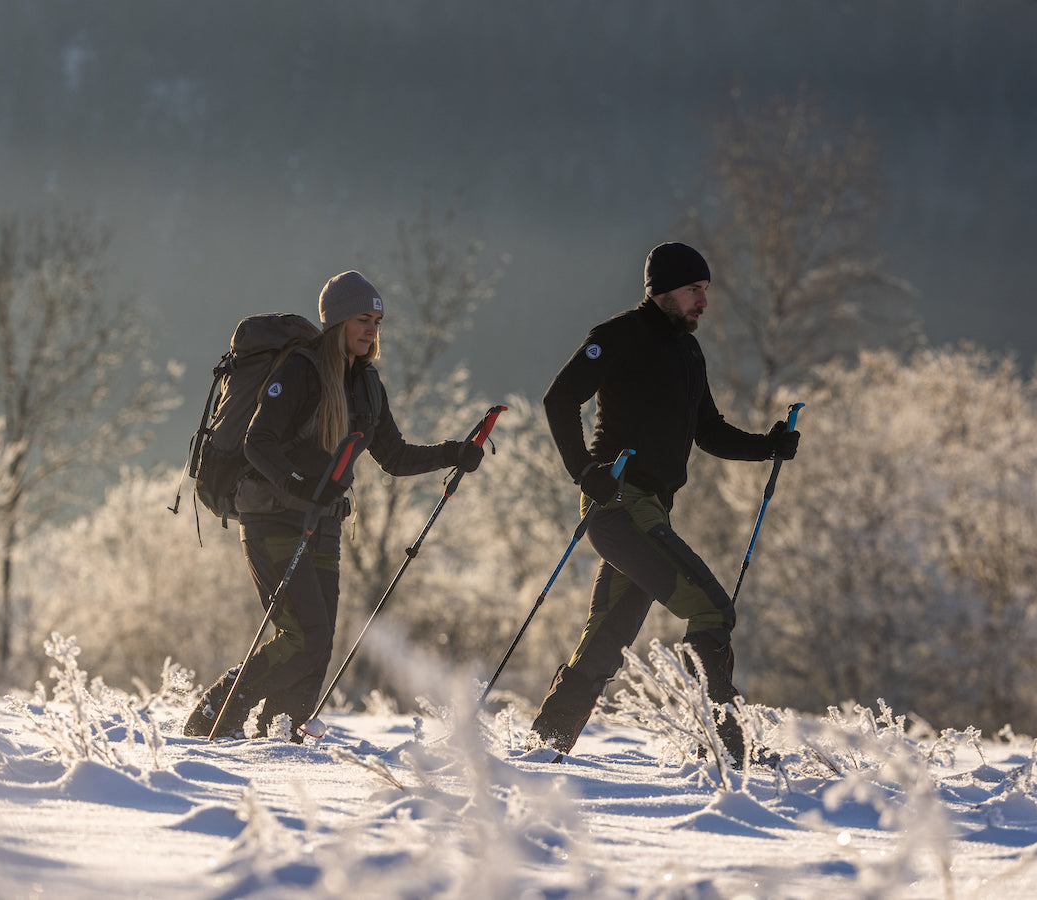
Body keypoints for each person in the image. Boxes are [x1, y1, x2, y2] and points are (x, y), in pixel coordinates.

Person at [528, 241, 799, 764]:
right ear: (661, 291)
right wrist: (585, 472)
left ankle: (545, 745)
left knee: (608, 637)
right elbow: (559, 399)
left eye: (705, 290)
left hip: (648, 509)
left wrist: (768, 446)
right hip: (620, 505)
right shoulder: (618, 336)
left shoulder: (688, 351)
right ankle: (728, 749)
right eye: (693, 290)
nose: (703, 300)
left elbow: (710, 431)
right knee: (712, 609)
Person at [184, 270, 485, 740]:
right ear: (337, 320)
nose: (371, 330)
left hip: (323, 524)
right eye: (362, 319)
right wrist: (301, 484)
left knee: (317, 646)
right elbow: (257, 442)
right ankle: (217, 711)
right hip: (274, 518)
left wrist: (454, 453)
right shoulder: (300, 370)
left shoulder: (366, 384)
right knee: (305, 638)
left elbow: (395, 456)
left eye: (378, 322)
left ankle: (277, 737)